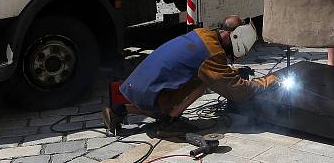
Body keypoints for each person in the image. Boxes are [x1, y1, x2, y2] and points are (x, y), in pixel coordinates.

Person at [102, 16, 278, 135]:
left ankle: (120, 110)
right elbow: (235, 89)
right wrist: (266, 81)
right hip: (153, 92)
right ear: (236, 36)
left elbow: (211, 67)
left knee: (202, 76)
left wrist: (235, 72)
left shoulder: (203, 35)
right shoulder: (213, 53)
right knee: (203, 81)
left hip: (138, 86)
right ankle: (170, 121)